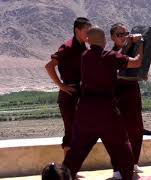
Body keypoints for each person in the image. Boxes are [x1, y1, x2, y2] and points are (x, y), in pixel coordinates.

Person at [62, 27, 142, 180]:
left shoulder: (85, 56)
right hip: (107, 110)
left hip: (85, 110)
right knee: (122, 147)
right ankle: (127, 176)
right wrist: (141, 43)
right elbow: (136, 62)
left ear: (89, 41)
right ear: (104, 40)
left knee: (76, 150)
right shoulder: (109, 56)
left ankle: (62, 177)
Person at [109, 23, 151, 179]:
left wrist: (143, 72)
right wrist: (135, 42)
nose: (123, 37)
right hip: (117, 95)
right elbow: (125, 62)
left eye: (125, 33)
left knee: (136, 129)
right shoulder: (112, 53)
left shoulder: (133, 47)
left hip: (132, 92)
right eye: (119, 34)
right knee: (118, 133)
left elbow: (140, 64)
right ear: (112, 37)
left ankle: (134, 163)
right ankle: (117, 168)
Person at [45, 17, 91, 155]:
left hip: (81, 94)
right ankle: (69, 169)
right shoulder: (67, 47)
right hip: (69, 95)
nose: (89, 33)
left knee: (80, 131)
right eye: (86, 30)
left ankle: (72, 168)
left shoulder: (84, 47)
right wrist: (61, 85)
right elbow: (49, 66)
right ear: (77, 30)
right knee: (70, 131)